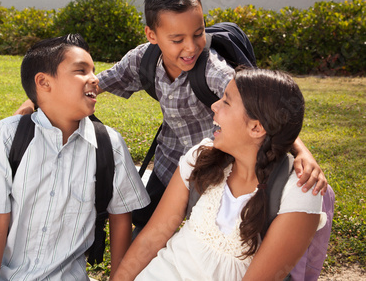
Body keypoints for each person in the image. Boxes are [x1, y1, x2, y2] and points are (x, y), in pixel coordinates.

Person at [15, 0, 327, 236]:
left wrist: (302, 152)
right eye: (177, 39)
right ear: (152, 36)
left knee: (214, 233)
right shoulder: (143, 60)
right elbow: (102, 81)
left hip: (215, 165)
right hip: (169, 161)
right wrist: (38, 100)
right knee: (147, 225)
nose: (190, 47)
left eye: (198, 33)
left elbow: (262, 110)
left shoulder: (214, 72)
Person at [0, 34, 150, 280]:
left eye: (93, 70)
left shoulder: (109, 145)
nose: (94, 79)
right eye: (81, 70)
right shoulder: (9, 135)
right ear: (44, 83)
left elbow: (121, 220)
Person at [112, 68, 327, 280]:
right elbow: (151, 239)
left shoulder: (299, 190)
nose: (214, 106)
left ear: (256, 128)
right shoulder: (200, 158)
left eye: (226, 101)